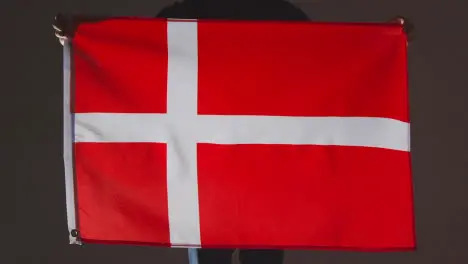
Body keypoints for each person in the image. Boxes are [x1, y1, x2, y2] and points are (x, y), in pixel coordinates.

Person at [53, 1, 412, 263]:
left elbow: (331, 62)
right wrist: (83, 35)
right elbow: (131, 51)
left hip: (263, 179)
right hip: (203, 182)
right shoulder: (182, 14)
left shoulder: (284, 15)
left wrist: (384, 41)